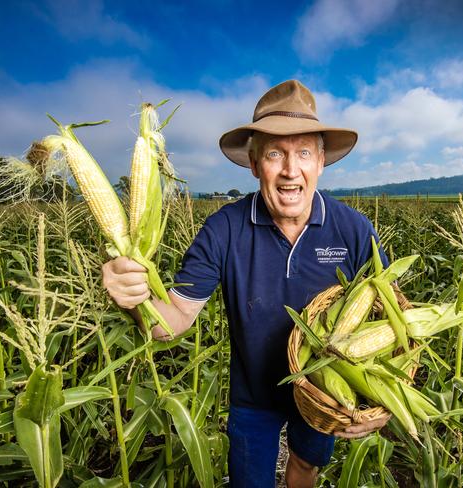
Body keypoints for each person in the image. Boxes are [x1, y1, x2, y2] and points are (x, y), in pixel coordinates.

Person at [102, 80, 389, 488]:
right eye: (275, 154)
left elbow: (391, 318)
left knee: (305, 468)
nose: (291, 170)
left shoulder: (354, 230)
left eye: (304, 152)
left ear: (321, 161)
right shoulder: (224, 229)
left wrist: (380, 400)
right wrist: (133, 299)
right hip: (253, 396)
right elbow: (170, 321)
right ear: (254, 164)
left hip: (327, 390)